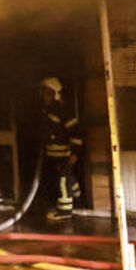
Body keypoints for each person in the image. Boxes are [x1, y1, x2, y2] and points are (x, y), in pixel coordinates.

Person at [40, 77, 83, 222]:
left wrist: (74, 154)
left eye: (48, 93)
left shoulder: (63, 111)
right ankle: (78, 198)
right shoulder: (49, 111)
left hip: (64, 154)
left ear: (56, 94)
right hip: (54, 155)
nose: (44, 96)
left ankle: (65, 211)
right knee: (66, 178)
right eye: (44, 93)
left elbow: (76, 133)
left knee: (63, 181)